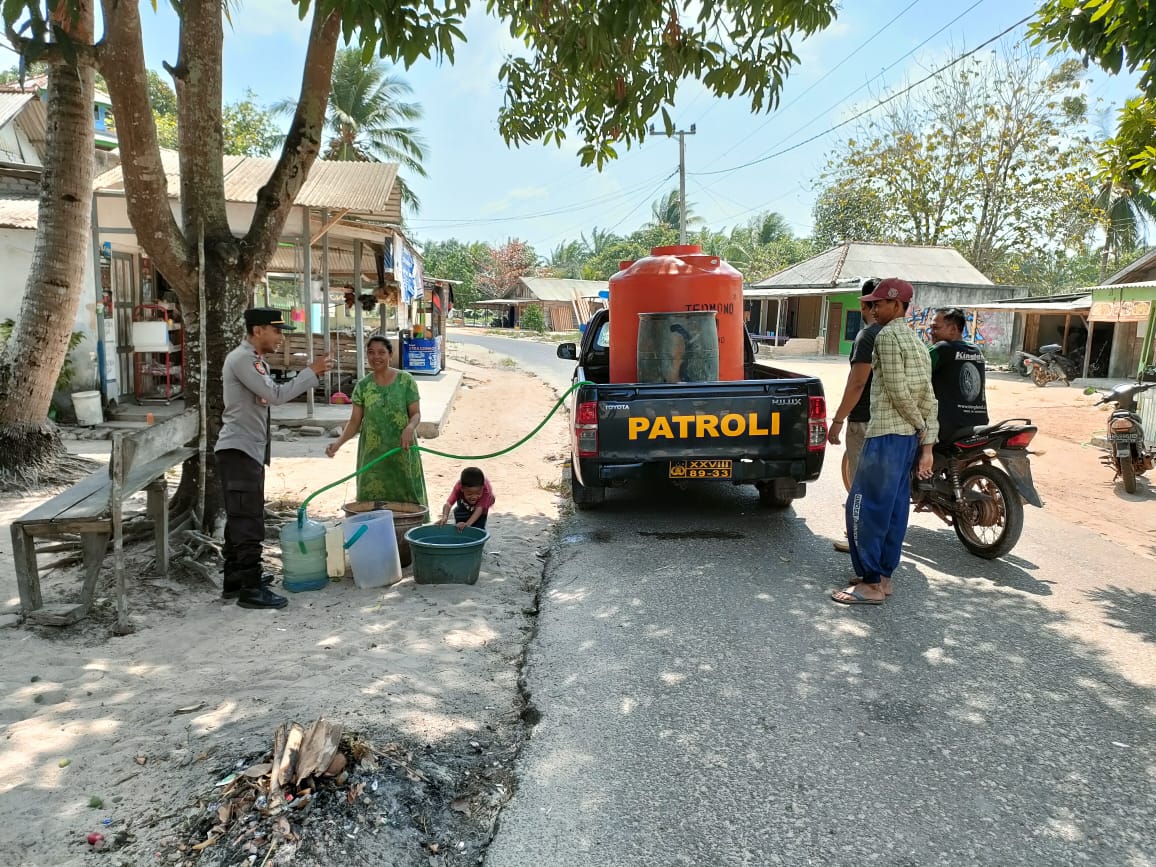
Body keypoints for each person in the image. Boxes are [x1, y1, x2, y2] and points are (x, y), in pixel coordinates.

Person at [216, 307, 331, 609]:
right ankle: (250, 589)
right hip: (239, 450)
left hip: (247, 450)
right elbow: (277, 396)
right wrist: (312, 372)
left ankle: (236, 578)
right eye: (277, 330)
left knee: (241, 516)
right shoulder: (243, 360)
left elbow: (268, 395)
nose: (280, 337)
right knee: (248, 520)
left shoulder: (255, 362)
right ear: (257, 331)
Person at [832, 278, 938, 606]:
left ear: (897, 305)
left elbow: (895, 389)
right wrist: (927, 440)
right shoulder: (917, 341)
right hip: (906, 439)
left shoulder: (887, 336)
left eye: (880, 303)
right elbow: (929, 397)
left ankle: (870, 583)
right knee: (893, 509)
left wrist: (918, 424)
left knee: (862, 507)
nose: (874, 309)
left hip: (886, 435)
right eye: (873, 303)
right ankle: (884, 577)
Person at [326, 335, 427, 508]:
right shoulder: (363, 386)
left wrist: (411, 427)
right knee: (372, 502)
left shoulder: (406, 381)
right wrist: (338, 444)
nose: (376, 357)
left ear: (390, 354)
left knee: (406, 498)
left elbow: (415, 413)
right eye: (371, 352)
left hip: (401, 448)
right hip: (372, 454)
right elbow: (355, 422)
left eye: (381, 352)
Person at [827, 278, 882, 552]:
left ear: (865, 304)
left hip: (864, 420)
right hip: (893, 422)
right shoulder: (903, 335)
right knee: (883, 486)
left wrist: (837, 420)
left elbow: (858, 383)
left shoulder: (868, 336)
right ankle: (880, 541)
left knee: (861, 485)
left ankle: (859, 540)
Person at [928, 307, 988, 441]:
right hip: (979, 423)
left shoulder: (941, 348)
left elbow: (914, 374)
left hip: (947, 427)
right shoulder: (975, 350)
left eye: (935, 328)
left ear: (953, 329)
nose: (931, 332)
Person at [439, 466, 495, 531]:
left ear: (482, 488)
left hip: (481, 508)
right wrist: (445, 517)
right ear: (462, 489)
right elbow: (448, 504)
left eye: (478, 493)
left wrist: (467, 524)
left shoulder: (485, 491)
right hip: (464, 503)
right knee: (460, 523)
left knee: (478, 526)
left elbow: (479, 510)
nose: (474, 497)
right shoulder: (458, 487)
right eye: (469, 494)